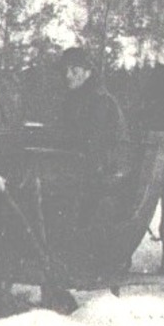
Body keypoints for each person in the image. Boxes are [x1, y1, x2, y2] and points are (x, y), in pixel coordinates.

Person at [47, 46, 130, 276]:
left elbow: (95, 146)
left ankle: (70, 256)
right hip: (78, 169)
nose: (68, 76)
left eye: (74, 70)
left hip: (105, 174)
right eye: (65, 70)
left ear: (88, 73)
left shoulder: (100, 102)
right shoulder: (71, 100)